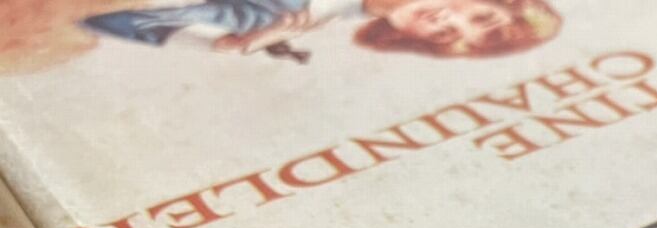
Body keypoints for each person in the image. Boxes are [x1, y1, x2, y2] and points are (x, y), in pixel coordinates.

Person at [80, 0, 562, 61]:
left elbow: (114, 16)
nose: (445, 21)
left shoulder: (281, 16)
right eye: (480, 16)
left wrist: (236, 42)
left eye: (444, 36)